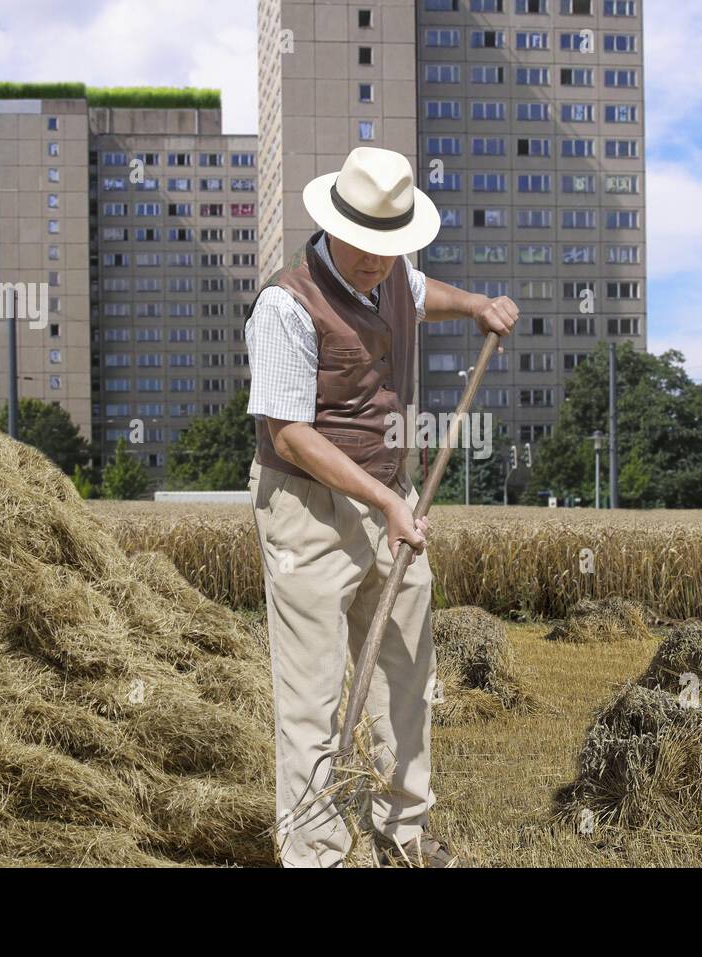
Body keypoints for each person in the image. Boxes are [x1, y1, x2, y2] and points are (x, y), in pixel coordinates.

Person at [244, 147, 518, 867]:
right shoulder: (285, 305)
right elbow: (290, 434)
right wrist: (383, 503)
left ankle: (404, 831)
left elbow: (426, 292)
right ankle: (316, 849)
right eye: (365, 245)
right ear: (334, 223)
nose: (376, 261)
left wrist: (480, 306)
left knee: (406, 670)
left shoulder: (393, 275)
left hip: (386, 496)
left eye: (389, 247)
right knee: (312, 689)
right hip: (306, 505)